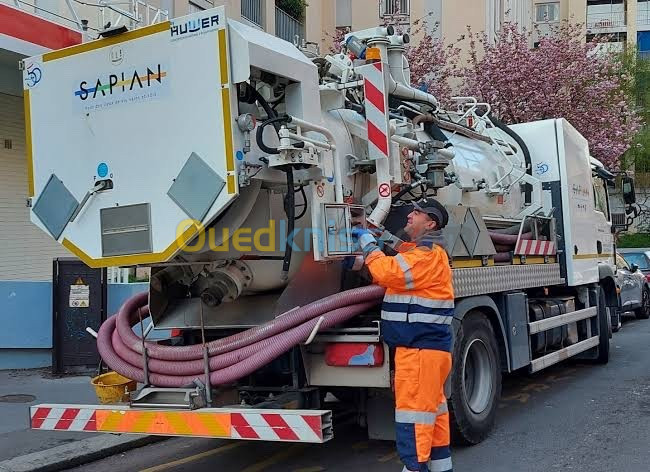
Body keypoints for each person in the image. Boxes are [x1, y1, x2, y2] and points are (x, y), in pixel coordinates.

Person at [353, 198, 454, 472]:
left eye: (417, 213)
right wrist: (381, 237)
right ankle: (441, 467)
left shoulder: (426, 256)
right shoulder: (427, 252)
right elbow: (404, 253)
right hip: (428, 351)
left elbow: (390, 272)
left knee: (414, 417)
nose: (410, 215)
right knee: (433, 414)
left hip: (419, 351)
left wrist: (367, 242)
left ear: (430, 223)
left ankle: (413, 467)